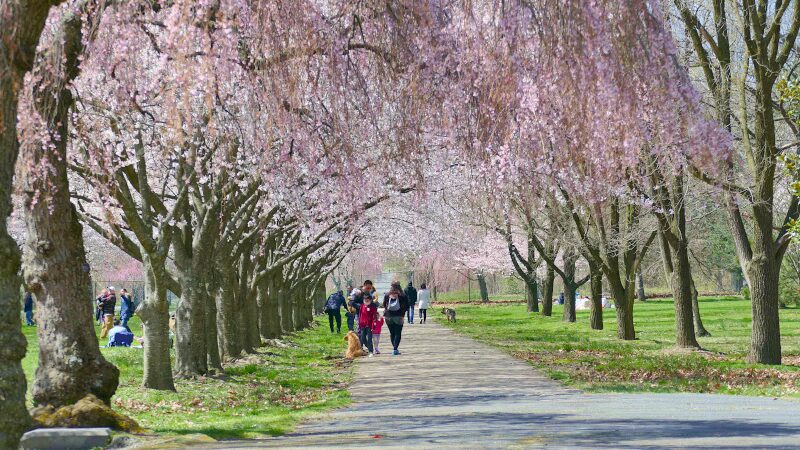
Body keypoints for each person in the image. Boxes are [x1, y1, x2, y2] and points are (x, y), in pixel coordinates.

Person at [382, 286, 409, 355]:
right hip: (399, 316)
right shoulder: (402, 295)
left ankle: (394, 347)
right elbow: (407, 306)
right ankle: (395, 349)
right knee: (398, 333)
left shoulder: (387, 295)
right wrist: (403, 314)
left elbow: (384, 304)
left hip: (388, 317)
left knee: (392, 333)